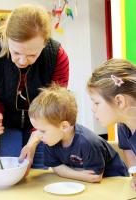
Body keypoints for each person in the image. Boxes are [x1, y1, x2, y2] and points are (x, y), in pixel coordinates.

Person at [0, 4, 69, 168]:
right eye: (16, 52)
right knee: (9, 175)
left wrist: (34, 139)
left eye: (32, 55)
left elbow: (53, 107)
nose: (22, 61)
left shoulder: (57, 56)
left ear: (44, 43)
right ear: (7, 37)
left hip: (43, 124)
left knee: (40, 176)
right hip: (6, 127)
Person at [19, 84, 128, 182]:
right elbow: (56, 168)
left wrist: (68, 171)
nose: (38, 135)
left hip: (116, 181)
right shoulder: (50, 140)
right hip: (86, 184)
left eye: (42, 130)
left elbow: (94, 177)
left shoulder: (87, 142)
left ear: (64, 126)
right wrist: (78, 174)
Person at [87, 58, 136, 188]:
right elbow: (132, 160)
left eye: (96, 102)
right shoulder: (123, 126)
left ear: (119, 101)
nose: (92, 108)